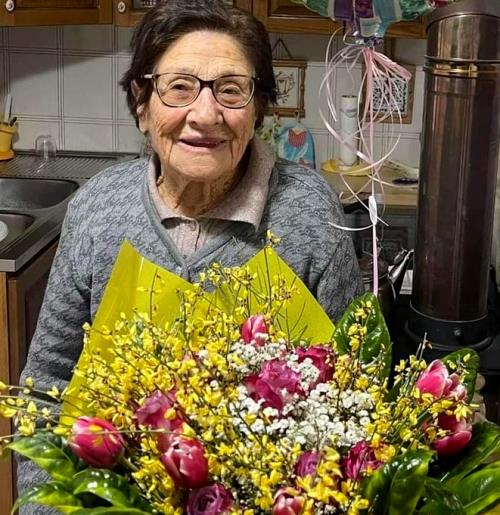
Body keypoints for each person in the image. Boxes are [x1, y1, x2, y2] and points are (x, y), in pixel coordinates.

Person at [18, 0, 362, 511]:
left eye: (231, 89)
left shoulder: (309, 215)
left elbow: (352, 405)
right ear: (141, 103)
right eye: (178, 87)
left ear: (258, 108)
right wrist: (44, 504)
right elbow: (49, 381)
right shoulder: (98, 207)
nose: (205, 115)